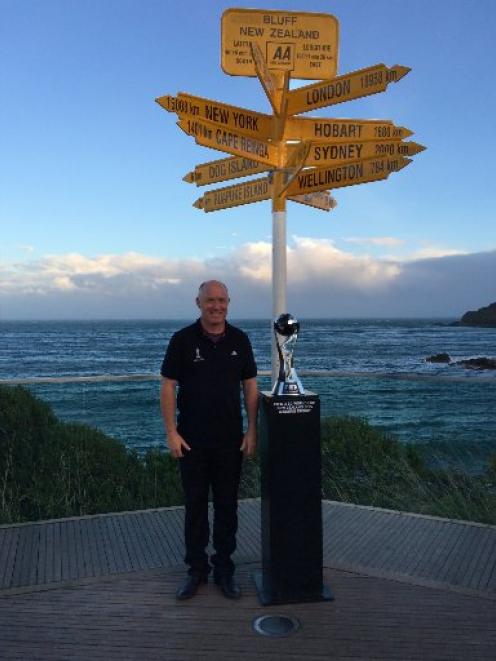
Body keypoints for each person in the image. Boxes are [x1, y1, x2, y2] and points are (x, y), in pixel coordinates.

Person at [160, 280, 258, 600]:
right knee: (196, 509)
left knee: (228, 508)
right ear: (198, 302)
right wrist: (171, 432)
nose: (216, 306)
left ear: (229, 302)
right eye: (209, 300)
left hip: (230, 441)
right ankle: (196, 570)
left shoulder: (240, 340)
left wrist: (252, 429)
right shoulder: (182, 340)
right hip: (191, 441)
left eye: (221, 300)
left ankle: (225, 570)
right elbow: (168, 385)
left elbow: (250, 387)